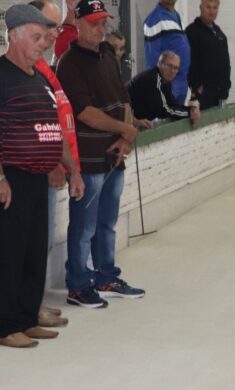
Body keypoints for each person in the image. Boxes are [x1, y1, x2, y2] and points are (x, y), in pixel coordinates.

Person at [0, 4, 84, 348]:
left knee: (35, 252)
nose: (43, 44)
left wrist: (73, 169)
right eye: (36, 37)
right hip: (13, 180)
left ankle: (26, 317)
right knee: (10, 253)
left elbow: (54, 131)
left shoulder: (39, 77)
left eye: (44, 37)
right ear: (14, 36)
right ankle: (6, 326)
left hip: (38, 179)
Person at [56, 0, 145, 308]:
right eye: (93, 23)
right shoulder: (69, 63)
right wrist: (126, 129)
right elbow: (85, 113)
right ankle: (78, 285)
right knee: (84, 227)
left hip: (114, 157)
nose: (99, 28)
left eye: (103, 22)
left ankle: (105, 276)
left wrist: (126, 135)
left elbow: (123, 96)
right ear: (77, 24)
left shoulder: (107, 53)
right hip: (89, 160)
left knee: (106, 223)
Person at [30, 0, 79, 328]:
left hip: (52, 168)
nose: (54, 35)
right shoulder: (24, 71)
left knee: (42, 242)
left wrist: (67, 164)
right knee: (30, 243)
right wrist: (51, 163)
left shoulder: (45, 69)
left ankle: (33, 303)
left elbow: (54, 121)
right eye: (48, 27)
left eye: (56, 28)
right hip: (33, 173)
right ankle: (26, 308)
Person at [127, 51, 200, 125]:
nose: (172, 71)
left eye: (176, 68)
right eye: (169, 66)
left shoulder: (165, 81)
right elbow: (162, 111)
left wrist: (192, 110)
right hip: (124, 121)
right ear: (159, 64)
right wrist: (188, 113)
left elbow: (173, 105)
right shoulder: (153, 79)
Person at [144, 0, 191, 105]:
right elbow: (152, 60)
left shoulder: (177, 16)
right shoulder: (154, 19)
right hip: (167, 88)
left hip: (180, 85)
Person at [185, 0, 231, 109]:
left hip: (221, 95)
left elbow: (226, 62)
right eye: (208, 7)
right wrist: (196, 87)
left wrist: (227, 85)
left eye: (215, 8)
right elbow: (187, 63)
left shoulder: (219, 33)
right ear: (201, 8)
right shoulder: (192, 32)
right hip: (203, 96)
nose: (212, 11)